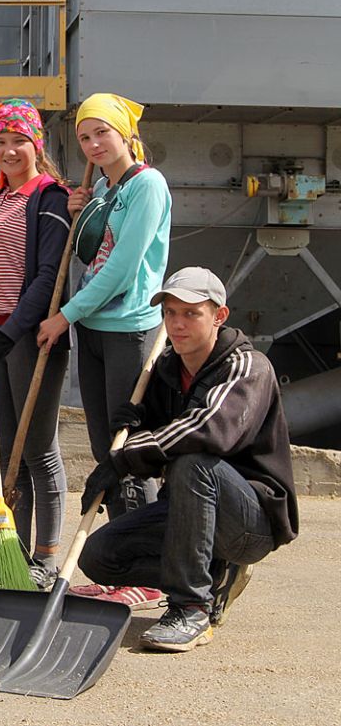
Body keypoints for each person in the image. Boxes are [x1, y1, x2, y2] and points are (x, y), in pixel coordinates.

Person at [77, 267, 298, 651]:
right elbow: (162, 438)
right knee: (99, 556)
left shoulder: (248, 367)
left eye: (191, 314)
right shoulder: (164, 370)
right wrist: (138, 422)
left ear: (219, 316)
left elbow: (208, 431)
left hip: (249, 520)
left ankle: (191, 608)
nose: (177, 324)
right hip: (189, 512)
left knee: (193, 462)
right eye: (170, 314)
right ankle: (212, 576)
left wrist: (126, 457)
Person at [36, 92, 171, 607]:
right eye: (85, 137)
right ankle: (118, 567)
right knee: (103, 450)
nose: (93, 144)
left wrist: (63, 315)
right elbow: (91, 253)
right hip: (93, 327)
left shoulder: (147, 186)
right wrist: (82, 207)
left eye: (102, 134)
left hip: (129, 328)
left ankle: (149, 573)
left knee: (129, 450)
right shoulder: (102, 187)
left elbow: (122, 267)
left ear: (125, 135)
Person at [0, 99, 69, 586]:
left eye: (17, 141)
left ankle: (46, 558)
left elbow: (48, 278)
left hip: (26, 337)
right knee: (5, 456)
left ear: (36, 144)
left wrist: (9, 334)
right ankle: (14, 560)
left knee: (38, 449)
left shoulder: (50, 196)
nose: (7, 150)